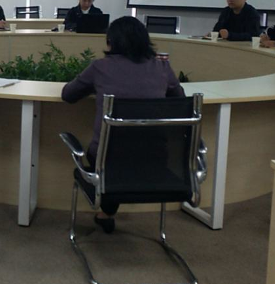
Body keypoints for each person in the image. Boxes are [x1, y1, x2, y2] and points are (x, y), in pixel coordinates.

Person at [61, 16, 184, 234]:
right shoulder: (162, 67)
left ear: (111, 42)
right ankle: (107, 213)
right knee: (129, 150)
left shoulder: (100, 67)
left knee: (115, 152)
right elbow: (179, 99)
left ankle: (107, 211)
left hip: (106, 160)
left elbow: (68, 95)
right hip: (155, 159)